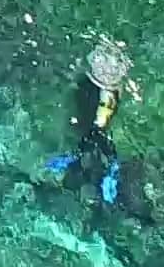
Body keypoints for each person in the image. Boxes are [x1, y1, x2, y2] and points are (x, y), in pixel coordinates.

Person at [43, 36, 143, 206]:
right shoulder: (108, 86)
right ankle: (99, 168)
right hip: (96, 113)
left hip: (95, 111)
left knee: (93, 134)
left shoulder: (98, 85)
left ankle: (94, 166)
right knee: (94, 134)